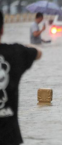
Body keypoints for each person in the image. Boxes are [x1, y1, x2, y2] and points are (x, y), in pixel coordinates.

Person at [0, 11, 42, 145]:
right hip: (9, 137)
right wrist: (25, 47)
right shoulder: (15, 53)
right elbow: (38, 53)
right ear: (2, 29)